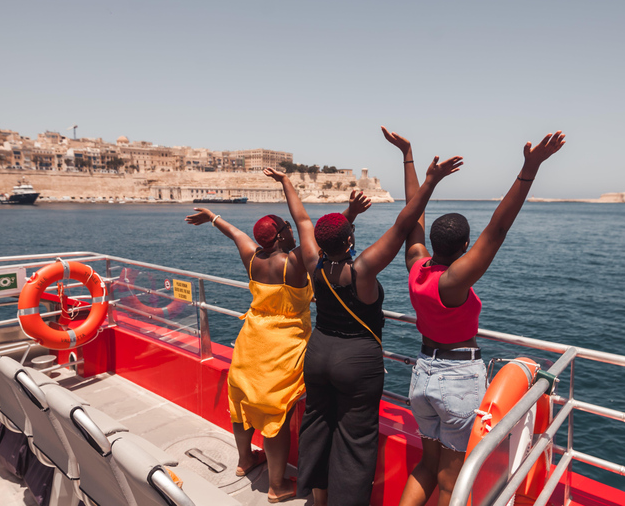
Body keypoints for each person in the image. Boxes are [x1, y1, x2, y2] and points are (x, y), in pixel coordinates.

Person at [265, 146, 462, 506]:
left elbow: (302, 221)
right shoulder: (363, 269)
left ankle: (318, 500)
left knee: (318, 427)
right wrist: (430, 181)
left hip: (319, 352)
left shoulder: (312, 261)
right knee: (355, 441)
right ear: (351, 240)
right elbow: (404, 225)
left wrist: (286, 182)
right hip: (357, 361)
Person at [381, 127, 566, 506]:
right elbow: (497, 230)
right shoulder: (453, 282)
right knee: (451, 479)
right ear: (465, 247)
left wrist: (409, 157)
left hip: (422, 376)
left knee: (426, 466)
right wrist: (529, 169)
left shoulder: (417, 267)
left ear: (432, 245)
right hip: (456, 381)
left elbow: (414, 219)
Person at [184, 192, 370, 503]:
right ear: (282, 235)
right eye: (286, 227)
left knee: (241, 400)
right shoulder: (295, 261)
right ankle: (276, 485)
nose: (291, 230)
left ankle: (244, 461)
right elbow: (326, 238)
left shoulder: (252, 256)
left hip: (250, 340)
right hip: (282, 346)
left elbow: (236, 233)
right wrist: (350, 212)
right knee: (275, 414)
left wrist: (213, 218)